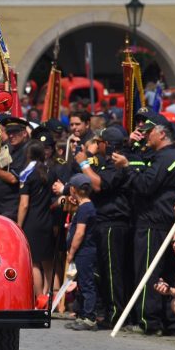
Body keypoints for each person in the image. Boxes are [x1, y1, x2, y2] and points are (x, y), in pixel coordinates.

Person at [113, 112, 175, 335]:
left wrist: (127, 166)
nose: (146, 136)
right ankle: (172, 321)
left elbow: (145, 185)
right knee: (166, 273)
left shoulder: (165, 158)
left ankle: (149, 321)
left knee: (148, 273)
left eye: (150, 132)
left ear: (162, 134)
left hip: (153, 222)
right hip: (169, 222)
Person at [73, 124, 133, 328]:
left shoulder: (117, 163)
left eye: (99, 142)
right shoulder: (107, 162)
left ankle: (116, 314)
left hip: (113, 222)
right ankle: (104, 310)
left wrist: (84, 165)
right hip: (103, 222)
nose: (97, 145)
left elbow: (98, 184)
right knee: (103, 271)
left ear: (106, 144)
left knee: (112, 271)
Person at [17, 140, 55, 298]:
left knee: (34, 262)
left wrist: (18, 225)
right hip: (48, 220)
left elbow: (24, 204)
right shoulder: (50, 171)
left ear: (28, 154)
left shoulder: (26, 173)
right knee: (48, 261)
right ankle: (48, 294)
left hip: (32, 222)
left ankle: (39, 298)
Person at [65, 173, 98, 331]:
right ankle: (82, 314)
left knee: (86, 284)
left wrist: (71, 252)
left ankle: (90, 317)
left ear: (73, 189)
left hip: (84, 251)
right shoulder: (84, 207)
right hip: (84, 251)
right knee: (81, 284)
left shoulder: (85, 208)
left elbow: (79, 233)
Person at [0, 116, 31, 221]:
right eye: (9, 132)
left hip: (11, 207)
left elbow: (14, 178)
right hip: (0, 205)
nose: (11, 135)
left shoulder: (26, 151)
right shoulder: (9, 147)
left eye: (15, 132)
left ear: (24, 133)